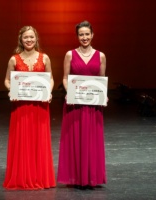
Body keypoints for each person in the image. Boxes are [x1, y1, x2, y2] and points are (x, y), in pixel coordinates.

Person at [3, 26, 56, 190]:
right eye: (26, 37)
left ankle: (39, 176)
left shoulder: (45, 58)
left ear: (36, 39)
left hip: (40, 105)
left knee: (39, 141)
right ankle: (22, 176)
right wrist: (11, 90)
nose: (29, 40)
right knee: (23, 140)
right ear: (21, 39)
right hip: (21, 106)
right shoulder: (14, 59)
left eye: (32, 37)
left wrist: (49, 92)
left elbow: (51, 79)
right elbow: (6, 80)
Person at [57, 20, 107, 189]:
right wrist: (69, 91)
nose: (84, 37)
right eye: (81, 34)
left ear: (92, 35)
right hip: (75, 105)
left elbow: (101, 80)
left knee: (92, 141)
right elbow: (64, 77)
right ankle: (76, 177)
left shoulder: (101, 56)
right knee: (75, 140)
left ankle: (91, 177)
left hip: (93, 106)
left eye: (87, 34)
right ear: (77, 36)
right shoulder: (70, 54)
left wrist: (104, 95)